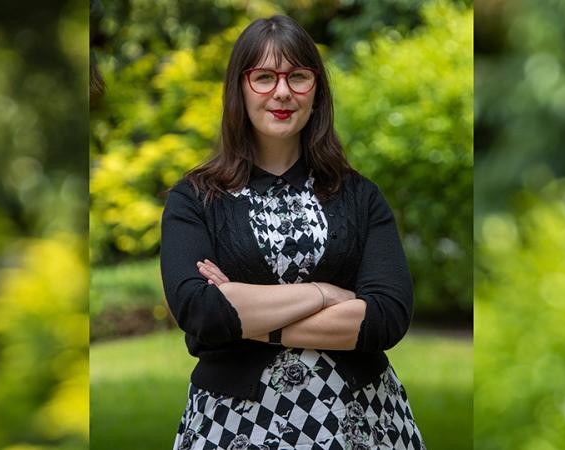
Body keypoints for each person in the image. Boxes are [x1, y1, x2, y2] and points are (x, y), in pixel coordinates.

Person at [160, 14, 426, 450]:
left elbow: (386, 317)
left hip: (360, 421)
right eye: (264, 77)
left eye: (297, 77)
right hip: (234, 426)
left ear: (316, 88)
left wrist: (245, 315)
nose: (282, 92)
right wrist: (326, 292)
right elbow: (201, 311)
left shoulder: (360, 196)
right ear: (239, 89)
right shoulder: (195, 199)